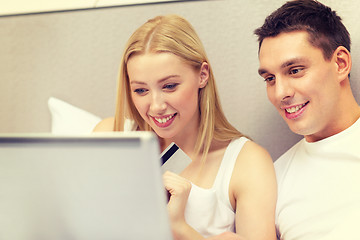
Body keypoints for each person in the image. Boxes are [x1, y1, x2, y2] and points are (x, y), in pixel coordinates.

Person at [94, 14, 277, 240]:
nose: (156, 106)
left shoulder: (247, 162)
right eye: (141, 90)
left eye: (169, 86)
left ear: (202, 75)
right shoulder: (111, 136)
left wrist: (180, 228)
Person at [209, 0, 360, 239]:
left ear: (340, 63)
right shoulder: (272, 181)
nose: (280, 93)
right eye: (270, 78)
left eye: (295, 70)